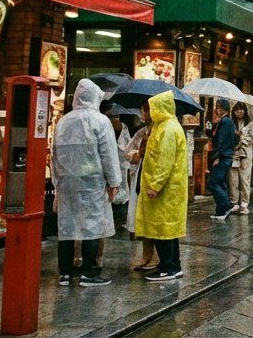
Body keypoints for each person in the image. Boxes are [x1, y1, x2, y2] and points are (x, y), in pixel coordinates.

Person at [52, 79, 124, 287]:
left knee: (67, 226)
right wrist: (114, 182)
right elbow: (109, 155)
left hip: (67, 183)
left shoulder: (63, 121)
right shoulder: (101, 122)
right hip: (92, 182)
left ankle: (65, 272)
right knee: (91, 225)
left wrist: (57, 180)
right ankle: (89, 271)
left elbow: (54, 155)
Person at [136, 91, 188, 282]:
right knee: (168, 229)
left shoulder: (167, 129)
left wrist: (155, 185)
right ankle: (173, 264)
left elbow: (164, 161)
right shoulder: (165, 126)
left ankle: (168, 267)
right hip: (169, 189)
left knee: (163, 229)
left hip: (165, 190)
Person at [123, 102, 156, 272]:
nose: (144, 114)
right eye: (143, 110)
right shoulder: (141, 133)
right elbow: (128, 151)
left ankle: (153, 257)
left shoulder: (161, 131)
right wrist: (136, 154)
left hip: (153, 180)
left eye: (147, 110)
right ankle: (146, 256)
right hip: (140, 177)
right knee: (141, 218)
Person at [207, 99, 237, 220]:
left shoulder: (225, 122)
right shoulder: (225, 122)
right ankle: (220, 211)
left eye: (218, 107)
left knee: (213, 182)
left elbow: (222, 141)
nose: (217, 110)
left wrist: (218, 156)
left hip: (223, 156)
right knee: (221, 182)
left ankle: (226, 205)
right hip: (226, 156)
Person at [228, 102, 253, 215]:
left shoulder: (250, 124)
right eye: (236, 110)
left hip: (246, 154)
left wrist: (243, 138)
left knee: (245, 179)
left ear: (245, 111)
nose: (239, 112)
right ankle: (234, 202)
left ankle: (244, 204)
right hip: (234, 154)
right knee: (233, 179)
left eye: (241, 109)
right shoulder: (231, 123)